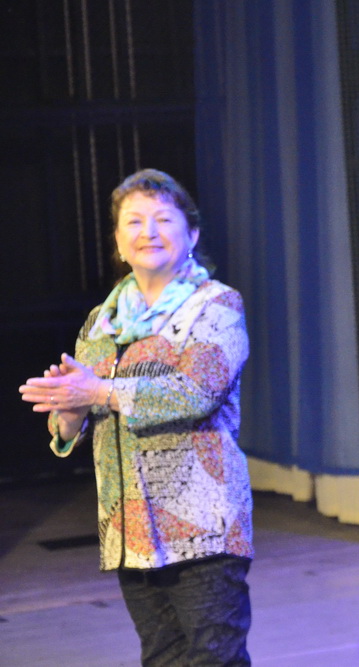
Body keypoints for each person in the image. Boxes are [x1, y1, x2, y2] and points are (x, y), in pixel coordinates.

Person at [20, 169, 253, 666]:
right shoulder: (101, 322)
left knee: (214, 657)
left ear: (192, 234)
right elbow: (80, 419)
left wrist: (98, 390)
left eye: (163, 219)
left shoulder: (216, 305)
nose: (149, 231)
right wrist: (69, 414)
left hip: (203, 526)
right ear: (118, 242)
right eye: (134, 221)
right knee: (162, 657)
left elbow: (194, 393)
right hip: (130, 528)